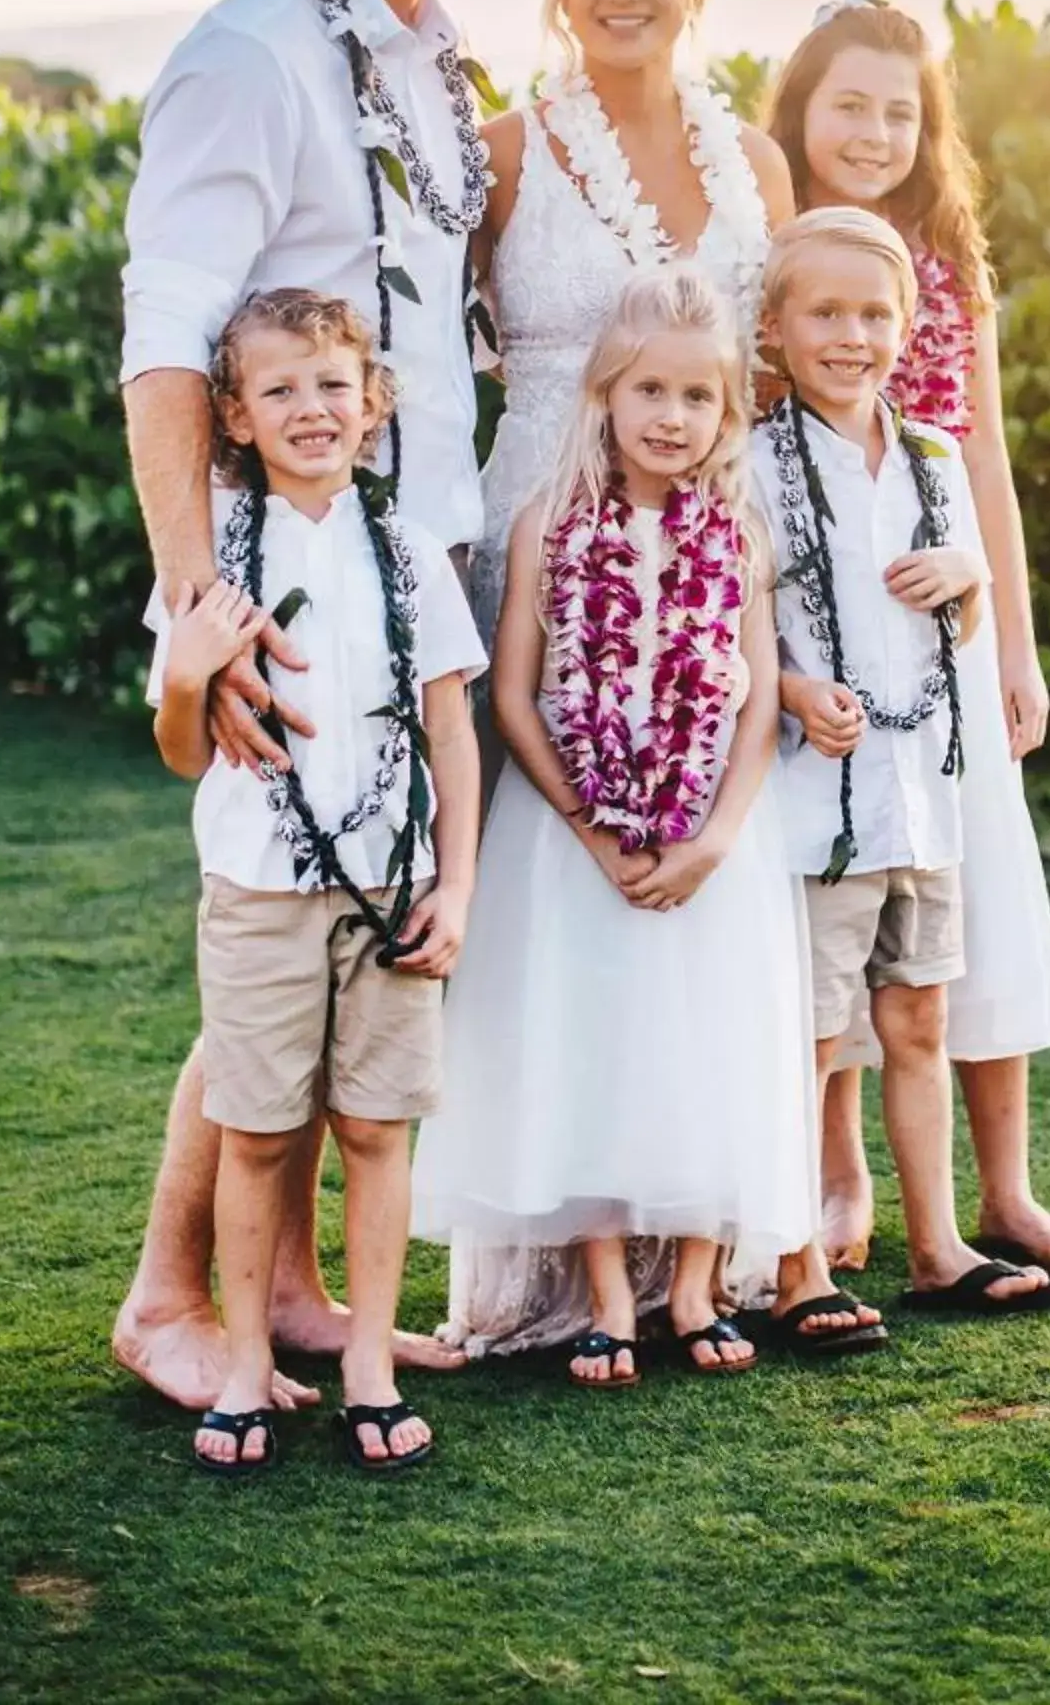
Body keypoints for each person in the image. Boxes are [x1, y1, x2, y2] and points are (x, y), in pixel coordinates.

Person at [114, 0, 494, 1409]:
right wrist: (206, 604)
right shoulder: (254, 54)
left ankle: (298, 1297)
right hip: (269, 584)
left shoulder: (431, 57)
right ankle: (164, 1299)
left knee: (341, 921)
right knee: (271, 935)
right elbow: (165, 342)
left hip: (397, 558)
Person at [414, 268, 874, 1376]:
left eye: (697, 398)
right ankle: (612, 1294)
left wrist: (712, 837)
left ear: (727, 411)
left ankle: (696, 1287)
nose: (672, 418)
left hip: (717, 837)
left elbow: (762, 696)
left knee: (716, 1043)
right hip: (575, 841)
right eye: (651, 393)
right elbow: (514, 698)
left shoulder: (737, 531)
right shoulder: (549, 526)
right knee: (595, 1043)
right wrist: (590, 823)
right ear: (605, 396)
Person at [766, 0, 1050, 1282]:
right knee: (840, 882)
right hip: (821, 636)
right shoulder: (772, 259)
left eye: (900, 112)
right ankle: (843, 1175)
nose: (873, 132)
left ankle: (1007, 1192)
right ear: (800, 107)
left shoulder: (949, 271)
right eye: (848, 104)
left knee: (980, 888)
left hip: (948, 626)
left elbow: (986, 463)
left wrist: (1013, 644)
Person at [148, 289, 484, 1473]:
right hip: (259, 888)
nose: (310, 408)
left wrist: (456, 884)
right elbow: (183, 751)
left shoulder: (407, 553)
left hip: (393, 887)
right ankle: (244, 1366)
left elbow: (450, 728)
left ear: (371, 403)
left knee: (378, 1130)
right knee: (254, 1133)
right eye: (279, 389)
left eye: (333, 385)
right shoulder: (211, 560)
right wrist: (189, 675)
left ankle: (369, 1367)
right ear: (233, 416)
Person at [756, 208, 1050, 1318]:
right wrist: (793, 691)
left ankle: (938, 1245)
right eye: (825, 313)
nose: (851, 335)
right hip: (816, 804)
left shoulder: (933, 459)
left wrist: (968, 589)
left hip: (923, 799)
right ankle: (797, 1266)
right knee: (817, 1035)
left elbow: (960, 635)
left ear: (908, 322)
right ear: (775, 327)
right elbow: (736, 629)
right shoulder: (753, 465)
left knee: (919, 1018)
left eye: (874, 313)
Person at [469, 0, 793, 654]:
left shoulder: (757, 166)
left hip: (713, 566)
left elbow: (786, 382)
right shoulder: (503, 156)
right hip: (538, 561)